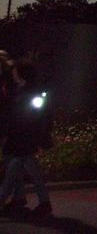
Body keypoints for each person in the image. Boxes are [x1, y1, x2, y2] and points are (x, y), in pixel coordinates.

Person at [0, 59, 53, 217]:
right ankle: (41, 202)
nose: (14, 74)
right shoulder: (24, 91)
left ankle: (13, 200)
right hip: (21, 140)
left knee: (12, 173)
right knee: (31, 172)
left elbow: (31, 119)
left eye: (16, 72)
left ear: (22, 75)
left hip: (22, 140)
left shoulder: (29, 93)